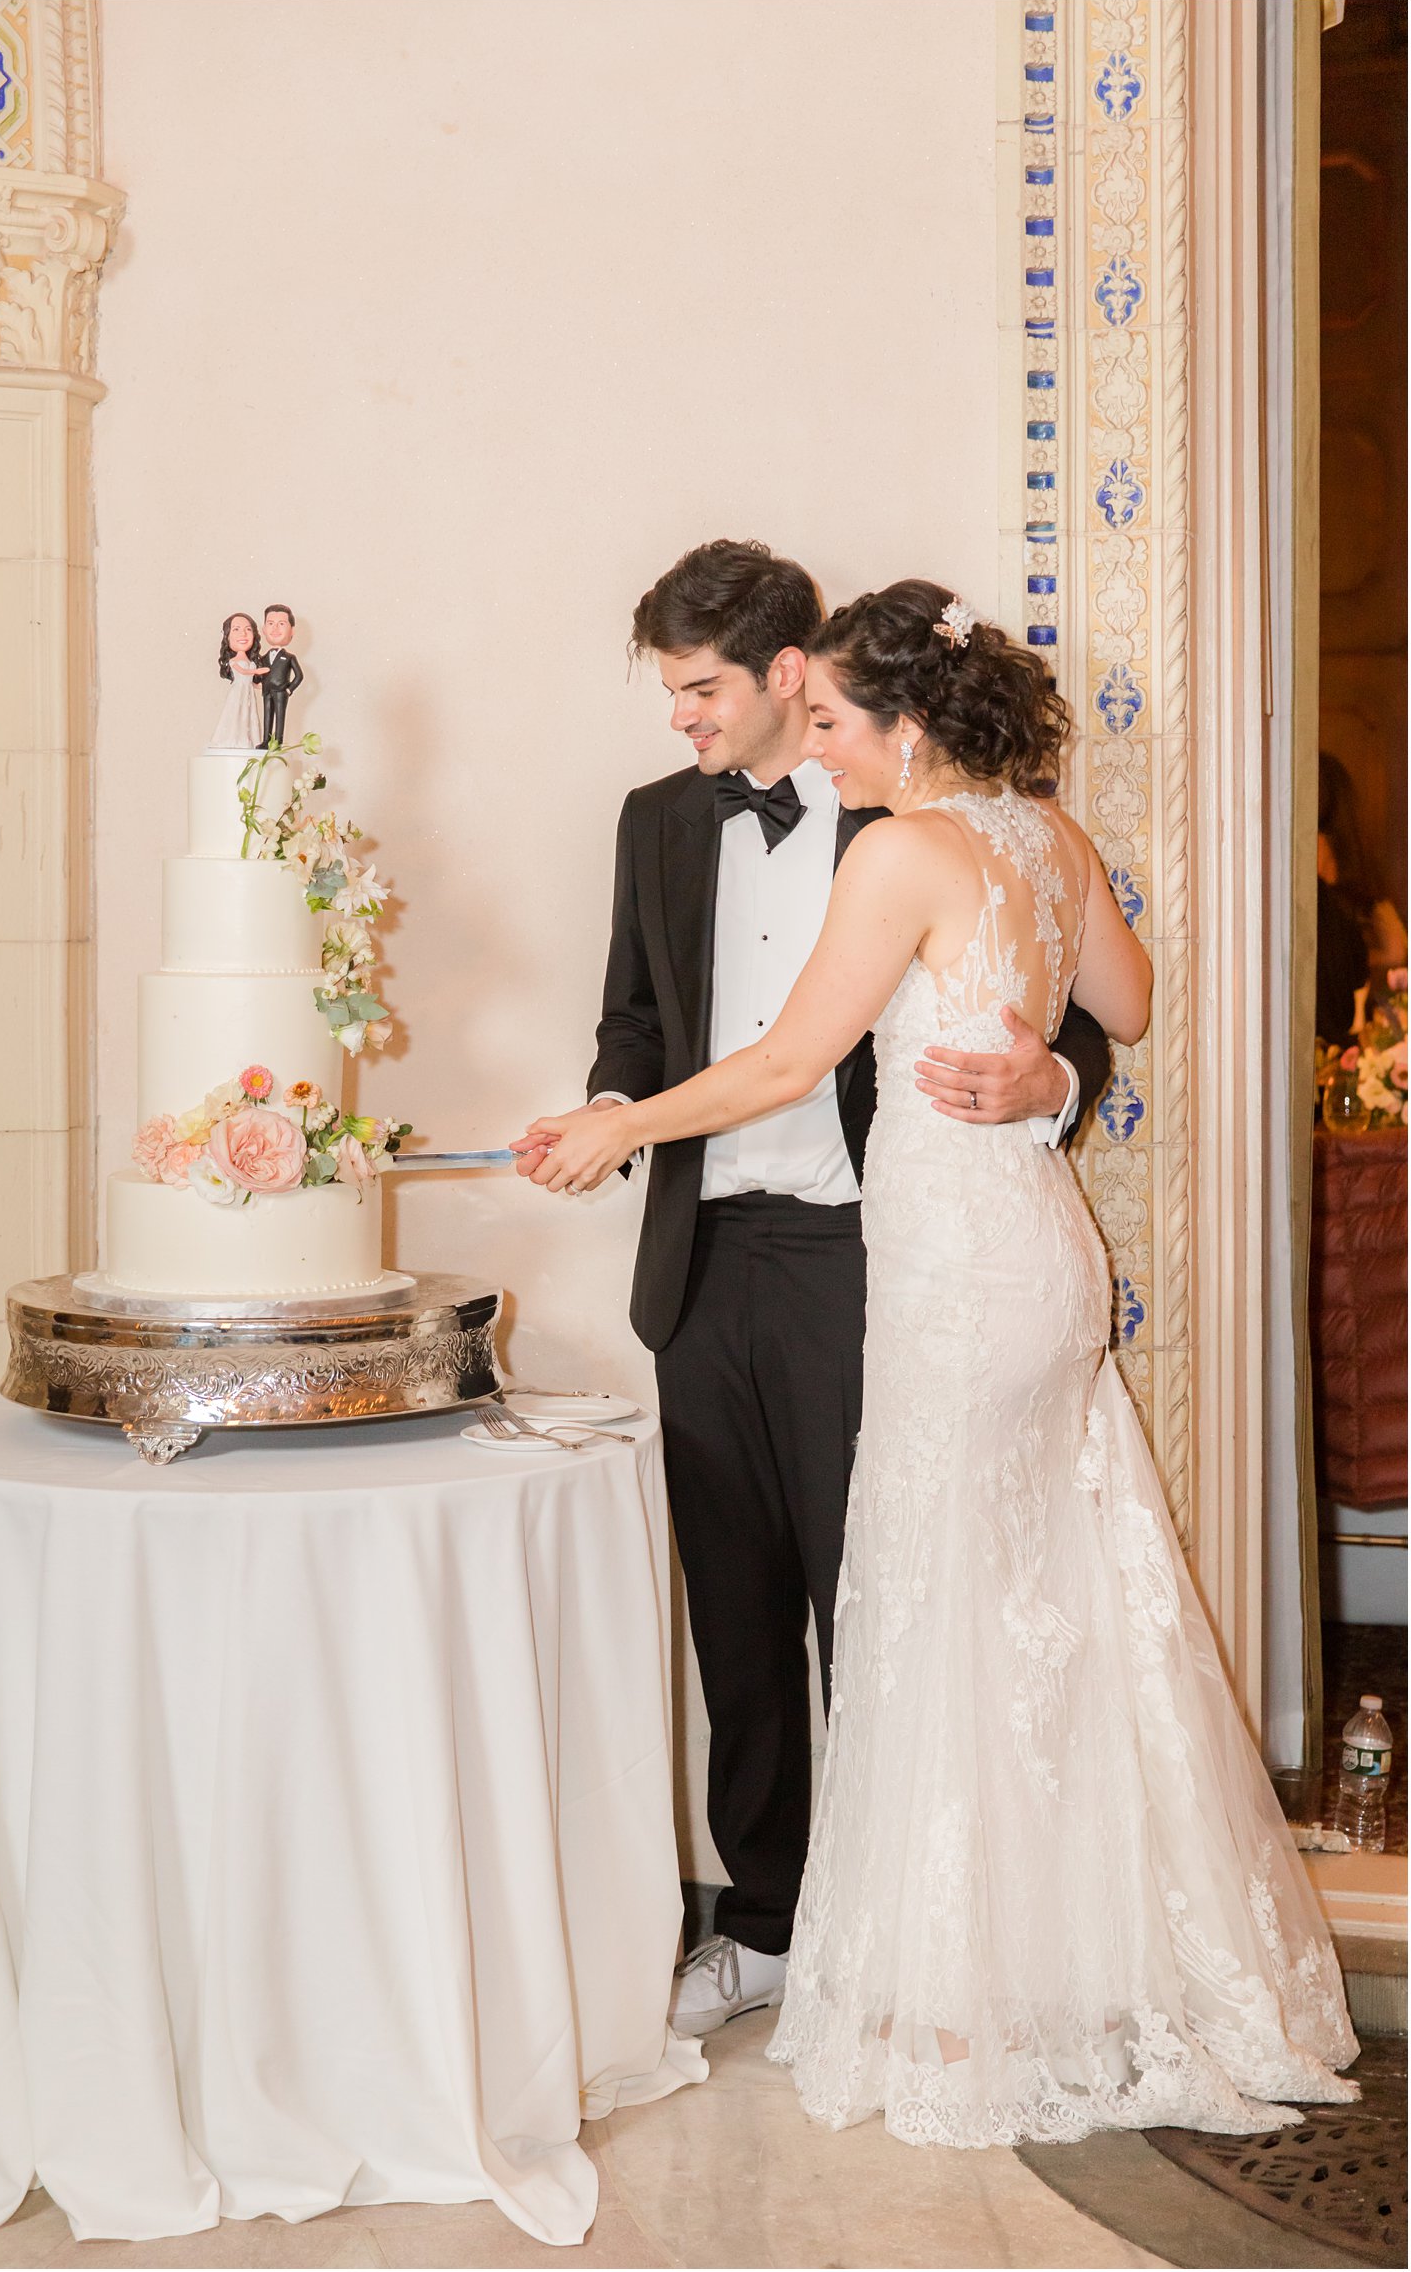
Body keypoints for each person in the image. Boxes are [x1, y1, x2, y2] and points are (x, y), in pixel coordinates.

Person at [516, 580, 1359, 2144]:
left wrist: (625, 1122)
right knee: (1055, 1599)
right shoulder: (1049, 836)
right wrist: (1041, 1049)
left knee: (938, 1601)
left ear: (902, 722)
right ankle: (1079, 1951)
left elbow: (788, 1057)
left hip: (952, 1276)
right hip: (1039, 1256)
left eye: (832, 720)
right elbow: (1135, 997)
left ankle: (966, 1987)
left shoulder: (905, 844)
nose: (819, 747)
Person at [517, 541, 1112, 2039]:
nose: (681, 721)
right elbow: (631, 1018)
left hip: (874, 1252)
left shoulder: (915, 823)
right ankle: (769, 1925)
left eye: (700, 689)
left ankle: (895, 1925)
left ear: (796, 679)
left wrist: (1049, 1074)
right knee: (737, 1607)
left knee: (887, 1594)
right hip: (704, 1253)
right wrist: (607, 1105)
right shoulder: (655, 823)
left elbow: (1056, 1015)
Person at [1318, 750, 1407, 1022]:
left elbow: (1397, 949)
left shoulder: (1316, 848)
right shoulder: (1357, 863)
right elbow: (1397, 948)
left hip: (1342, 1018)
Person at [209, 612, 267, 749]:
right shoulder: (233, 661)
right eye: (236, 629)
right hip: (238, 692)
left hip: (248, 693)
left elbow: (249, 681)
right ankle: (234, 740)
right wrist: (256, 671)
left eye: (248, 629)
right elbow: (243, 672)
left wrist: (263, 686)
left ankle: (250, 740)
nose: (243, 634)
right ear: (227, 637)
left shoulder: (249, 660)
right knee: (236, 714)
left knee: (249, 715)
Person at [258, 603, 304, 749]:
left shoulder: (289, 657)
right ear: (264, 629)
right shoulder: (262, 658)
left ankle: (277, 741)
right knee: (267, 715)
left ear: (292, 630)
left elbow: (299, 676)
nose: (275, 628)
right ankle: (266, 740)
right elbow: (258, 675)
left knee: (280, 716)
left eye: (281, 624)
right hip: (266, 692)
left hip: (281, 692)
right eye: (270, 623)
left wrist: (289, 690)